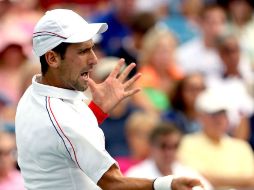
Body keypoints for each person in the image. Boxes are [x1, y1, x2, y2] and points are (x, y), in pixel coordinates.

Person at [15, 9, 203, 190]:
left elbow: (64, 143)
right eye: (82, 51)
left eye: (92, 48)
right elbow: (112, 183)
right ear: (52, 58)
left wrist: (97, 110)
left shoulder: (34, 94)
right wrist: (166, 185)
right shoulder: (61, 119)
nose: (94, 59)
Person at [178, 87, 254, 189]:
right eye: (213, 115)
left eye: (223, 114)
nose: (219, 120)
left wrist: (215, 179)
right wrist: (240, 181)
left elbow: (252, 181)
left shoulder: (241, 147)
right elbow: (197, 179)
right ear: (200, 117)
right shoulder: (187, 143)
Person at [125, 122, 213, 190]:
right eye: (163, 146)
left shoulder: (189, 174)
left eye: (174, 146)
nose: (169, 152)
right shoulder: (135, 176)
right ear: (151, 147)